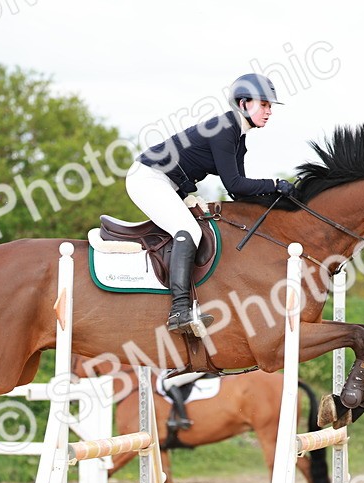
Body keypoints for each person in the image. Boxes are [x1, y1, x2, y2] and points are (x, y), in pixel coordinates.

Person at [127, 73, 299, 335]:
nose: (269, 111)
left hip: (168, 183)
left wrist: (278, 203)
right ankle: (179, 310)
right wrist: (274, 184)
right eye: (263, 104)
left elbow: (239, 194)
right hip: (148, 178)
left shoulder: (238, 136)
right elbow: (235, 185)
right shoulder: (224, 129)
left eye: (270, 106)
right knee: (190, 231)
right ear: (243, 104)